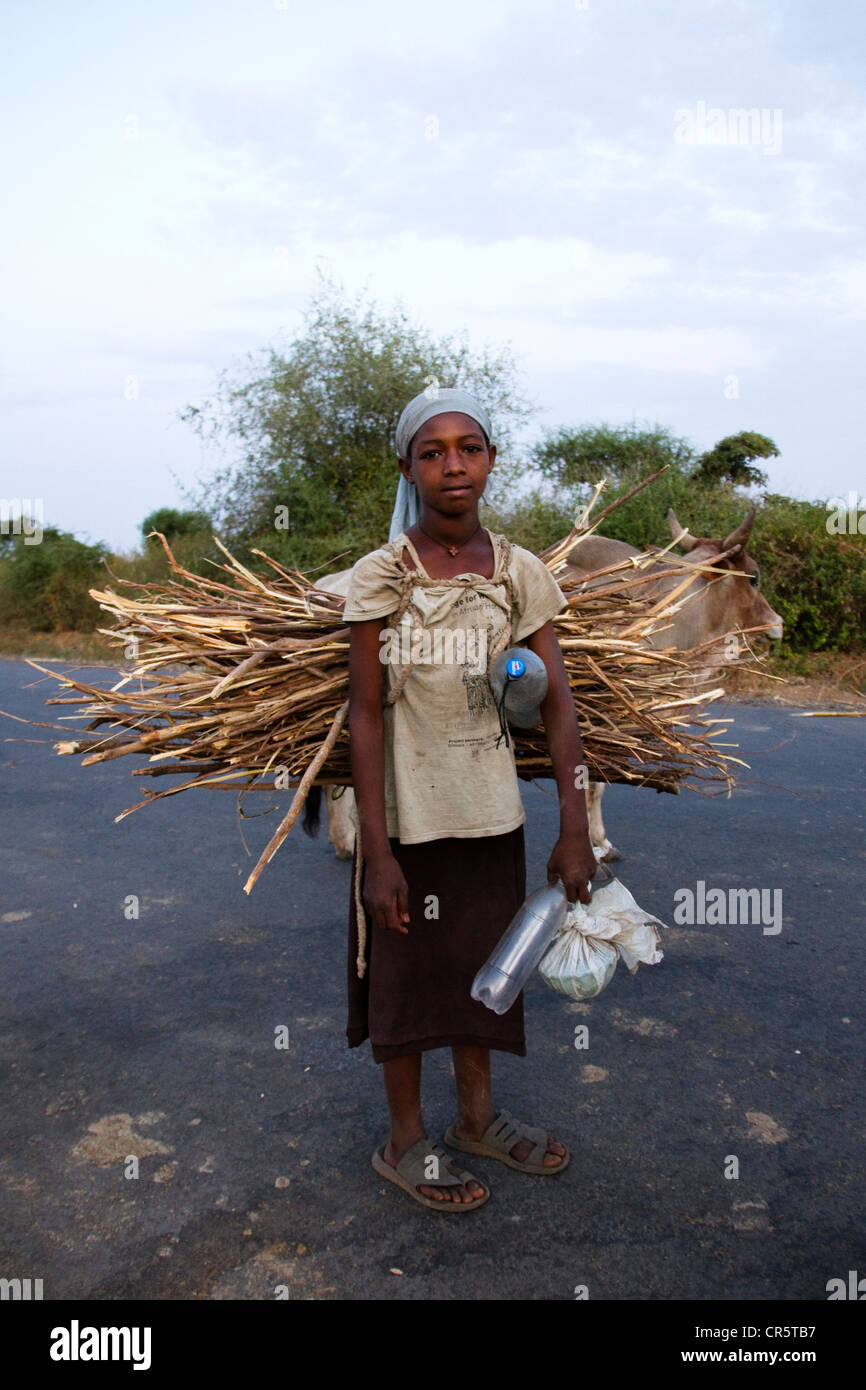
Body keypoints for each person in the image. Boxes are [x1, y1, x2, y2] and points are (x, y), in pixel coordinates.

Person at [343, 386, 598, 1211]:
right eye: (433, 451)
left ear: (490, 460)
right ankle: (406, 1142)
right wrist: (376, 851)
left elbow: (556, 700)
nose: (453, 464)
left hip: (493, 813)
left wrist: (572, 828)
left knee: (487, 972)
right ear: (409, 468)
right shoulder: (383, 575)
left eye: (470, 448)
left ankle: (478, 1122)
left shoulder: (521, 571)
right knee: (408, 976)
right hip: (409, 821)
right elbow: (367, 712)